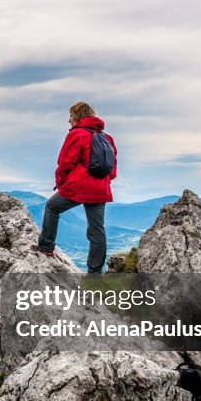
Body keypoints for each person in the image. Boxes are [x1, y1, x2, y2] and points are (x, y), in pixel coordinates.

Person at [32, 101, 117, 273]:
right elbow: (112, 169)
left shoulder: (77, 134)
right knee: (97, 231)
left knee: (52, 207)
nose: (68, 121)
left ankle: (46, 247)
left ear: (78, 116)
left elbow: (65, 162)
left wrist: (61, 182)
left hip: (79, 186)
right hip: (100, 188)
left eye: (70, 116)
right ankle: (94, 275)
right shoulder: (107, 138)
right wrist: (102, 182)